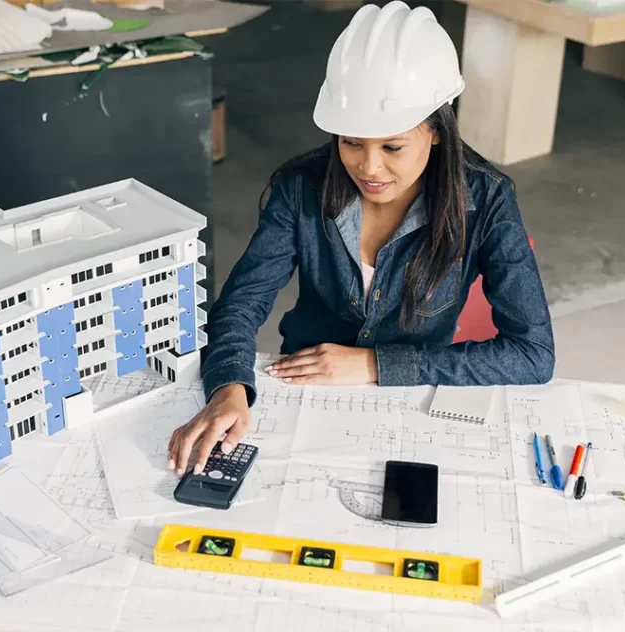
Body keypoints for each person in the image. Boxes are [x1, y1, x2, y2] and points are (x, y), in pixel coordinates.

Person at [167, 2, 555, 476]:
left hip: (409, 401)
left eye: (392, 147)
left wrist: (375, 364)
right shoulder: (301, 188)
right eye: (351, 142)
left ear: (436, 130)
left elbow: (532, 355)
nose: (368, 168)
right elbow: (242, 304)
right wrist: (229, 383)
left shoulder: (487, 201)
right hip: (302, 392)